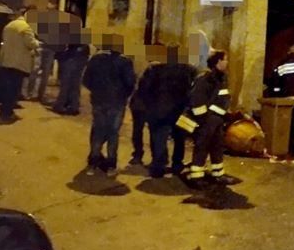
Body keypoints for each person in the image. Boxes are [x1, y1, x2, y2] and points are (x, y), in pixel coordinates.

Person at [82, 34, 136, 176]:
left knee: (98, 130)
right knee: (113, 132)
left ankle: (92, 163)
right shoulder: (125, 62)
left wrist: (96, 91)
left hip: (99, 100)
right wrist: (124, 95)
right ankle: (111, 165)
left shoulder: (96, 59)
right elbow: (130, 83)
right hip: (117, 102)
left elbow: (86, 80)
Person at [144, 46, 197, 178]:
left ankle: (158, 165)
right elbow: (193, 90)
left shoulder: (154, 68)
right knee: (179, 138)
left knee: (158, 138)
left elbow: (145, 88)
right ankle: (177, 164)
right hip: (179, 109)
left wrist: (149, 106)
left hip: (159, 109)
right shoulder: (189, 70)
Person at [186, 50, 236, 189]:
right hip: (207, 121)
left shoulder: (221, 77)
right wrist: (204, 120)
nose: (227, 62)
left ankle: (218, 174)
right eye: (225, 60)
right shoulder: (205, 78)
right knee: (202, 147)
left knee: (217, 147)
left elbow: (223, 98)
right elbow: (196, 101)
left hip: (217, 121)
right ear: (218, 62)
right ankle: (196, 177)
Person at [0, 7, 40, 121]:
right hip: (18, 63)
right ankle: (7, 113)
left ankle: (3, 110)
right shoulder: (26, 28)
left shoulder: (10, 25)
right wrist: (38, 43)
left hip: (7, 61)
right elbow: (31, 44)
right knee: (14, 88)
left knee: (7, 87)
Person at [53, 18, 89, 115]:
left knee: (66, 84)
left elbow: (62, 49)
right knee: (75, 85)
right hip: (78, 62)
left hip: (70, 61)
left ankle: (61, 105)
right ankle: (73, 105)